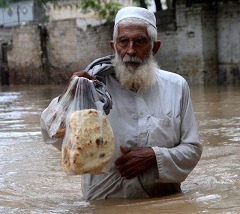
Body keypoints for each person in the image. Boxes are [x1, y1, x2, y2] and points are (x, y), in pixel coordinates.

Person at [40, 6, 203, 200]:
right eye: (123, 41)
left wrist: (155, 156)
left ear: (154, 47)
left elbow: (192, 149)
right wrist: (67, 97)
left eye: (140, 41)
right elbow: (50, 134)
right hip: (105, 203)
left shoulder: (176, 86)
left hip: (162, 200)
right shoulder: (93, 89)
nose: (131, 50)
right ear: (113, 46)